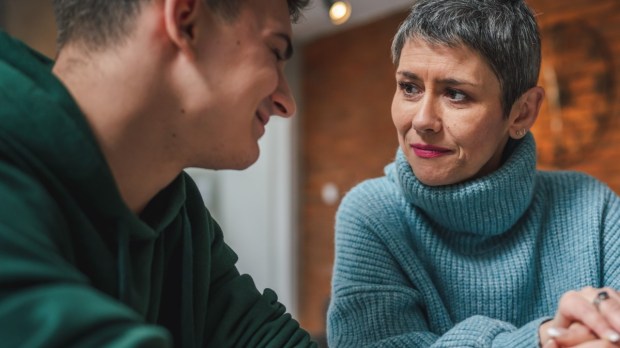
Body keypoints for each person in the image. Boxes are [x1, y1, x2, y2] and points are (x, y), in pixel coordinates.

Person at [0, 0, 317, 346]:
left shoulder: (176, 212)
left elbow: (258, 334)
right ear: (185, 22)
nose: (288, 102)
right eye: (275, 50)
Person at [326, 0, 620, 347]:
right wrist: (541, 341)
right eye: (409, 87)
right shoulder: (371, 213)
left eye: (456, 94)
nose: (422, 120)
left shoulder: (593, 208)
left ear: (522, 113)